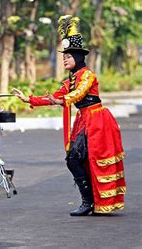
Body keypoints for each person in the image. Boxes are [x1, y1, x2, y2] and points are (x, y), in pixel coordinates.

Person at [14, 15, 125, 216]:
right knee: (74, 159)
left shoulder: (88, 75)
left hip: (97, 120)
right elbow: (54, 97)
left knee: (87, 159)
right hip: (84, 120)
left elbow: (78, 94)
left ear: (78, 58)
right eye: (64, 56)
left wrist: (62, 101)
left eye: (68, 56)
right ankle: (88, 201)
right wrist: (28, 99)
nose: (65, 59)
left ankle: (91, 202)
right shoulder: (70, 80)